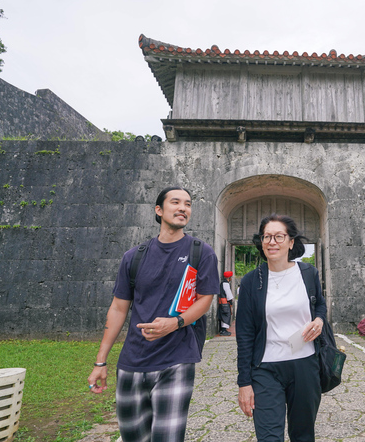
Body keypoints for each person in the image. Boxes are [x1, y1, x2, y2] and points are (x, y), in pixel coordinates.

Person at [87, 186, 218, 442]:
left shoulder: (201, 252)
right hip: (132, 362)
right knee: (133, 437)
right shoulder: (133, 257)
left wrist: (175, 323)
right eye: (176, 202)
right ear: (159, 210)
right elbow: (118, 308)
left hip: (176, 359)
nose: (183, 208)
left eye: (188, 204)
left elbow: (205, 300)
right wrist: (100, 361)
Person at [236, 214, 326, 442]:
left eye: (279, 236)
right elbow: (244, 335)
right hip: (265, 368)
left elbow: (320, 305)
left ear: (291, 242)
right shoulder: (250, 282)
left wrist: (319, 320)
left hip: (305, 364)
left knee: (303, 435)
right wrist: (244, 382)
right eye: (266, 237)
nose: (272, 242)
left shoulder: (308, 274)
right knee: (268, 437)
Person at [219, 270, 234, 336]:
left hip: (221, 302)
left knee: (223, 315)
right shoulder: (226, 284)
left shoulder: (222, 283)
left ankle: (223, 330)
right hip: (225, 302)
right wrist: (231, 301)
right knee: (226, 315)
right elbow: (228, 294)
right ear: (229, 278)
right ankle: (224, 330)